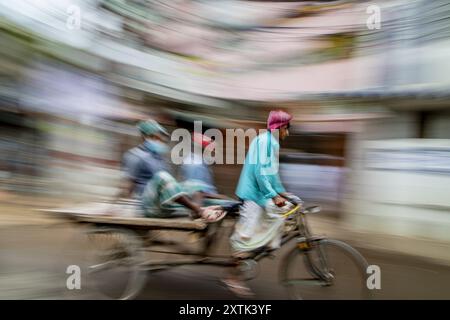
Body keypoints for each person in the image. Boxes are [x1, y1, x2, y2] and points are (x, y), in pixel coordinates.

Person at [223, 110, 302, 297]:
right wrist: (274, 196)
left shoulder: (270, 142)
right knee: (245, 236)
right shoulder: (266, 141)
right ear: (280, 127)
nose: (288, 133)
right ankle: (233, 277)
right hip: (252, 194)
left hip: (261, 194)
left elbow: (272, 175)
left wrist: (283, 193)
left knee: (285, 212)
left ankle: (265, 244)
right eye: (287, 129)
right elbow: (261, 173)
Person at [119, 119, 225, 222]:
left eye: (161, 138)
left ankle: (196, 210)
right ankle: (200, 210)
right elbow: (128, 184)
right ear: (146, 137)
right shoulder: (135, 156)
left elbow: (172, 186)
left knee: (194, 183)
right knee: (162, 176)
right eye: (157, 137)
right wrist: (119, 205)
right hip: (149, 204)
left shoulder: (159, 158)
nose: (161, 141)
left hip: (163, 202)